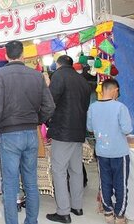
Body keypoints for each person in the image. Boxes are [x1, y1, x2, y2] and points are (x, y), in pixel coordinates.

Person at [0, 40, 55, 224]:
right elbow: (50, 106)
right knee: (31, 183)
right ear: (23, 54)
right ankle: (31, 221)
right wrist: (36, 120)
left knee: (10, 185)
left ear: (6, 55)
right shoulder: (36, 76)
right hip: (31, 134)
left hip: (10, 135)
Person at [46, 55, 91, 223]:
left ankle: (63, 212)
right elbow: (85, 106)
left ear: (58, 65)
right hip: (78, 131)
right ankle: (77, 207)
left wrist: (45, 120)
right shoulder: (82, 81)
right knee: (76, 170)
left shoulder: (58, 76)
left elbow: (50, 102)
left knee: (58, 171)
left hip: (62, 131)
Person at [87, 79, 133, 224]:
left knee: (105, 182)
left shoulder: (93, 107)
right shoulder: (120, 107)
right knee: (121, 185)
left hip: (101, 152)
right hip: (119, 152)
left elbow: (90, 128)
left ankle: (108, 214)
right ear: (115, 90)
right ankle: (120, 216)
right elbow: (127, 129)